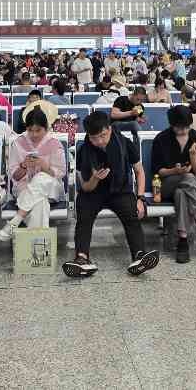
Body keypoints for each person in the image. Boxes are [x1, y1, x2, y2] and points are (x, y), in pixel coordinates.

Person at [63, 111, 161, 278]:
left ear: (109, 129)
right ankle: (82, 259)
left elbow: (139, 171)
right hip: (93, 192)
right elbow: (85, 187)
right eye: (94, 138)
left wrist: (140, 198)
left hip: (120, 190)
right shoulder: (84, 151)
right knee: (84, 215)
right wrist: (95, 178)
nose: (99, 141)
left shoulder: (125, 143)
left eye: (103, 135)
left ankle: (139, 256)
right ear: (88, 136)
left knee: (132, 215)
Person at [152, 106, 196, 263]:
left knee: (181, 193)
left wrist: (193, 155)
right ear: (172, 125)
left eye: (186, 127)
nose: (183, 131)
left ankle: (183, 241)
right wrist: (175, 171)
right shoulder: (161, 139)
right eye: (179, 127)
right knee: (187, 177)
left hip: (189, 188)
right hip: (165, 185)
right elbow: (158, 172)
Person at [0, 107, 66, 241]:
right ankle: (37, 249)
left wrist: (44, 166)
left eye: (38, 130)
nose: (34, 134)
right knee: (40, 204)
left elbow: (59, 174)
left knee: (41, 177)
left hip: (51, 188)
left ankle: (16, 220)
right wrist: (23, 165)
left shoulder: (54, 143)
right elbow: (15, 176)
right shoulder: (18, 143)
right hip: (24, 187)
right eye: (30, 130)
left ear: (46, 128)